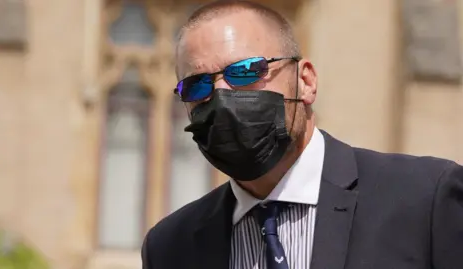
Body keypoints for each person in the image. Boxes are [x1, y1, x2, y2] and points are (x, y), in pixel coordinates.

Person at [141, 1, 463, 269]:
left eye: (246, 71)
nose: (222, 95)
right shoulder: (170, 247)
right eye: (198, 85)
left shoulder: (425, 198)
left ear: (305, 82)